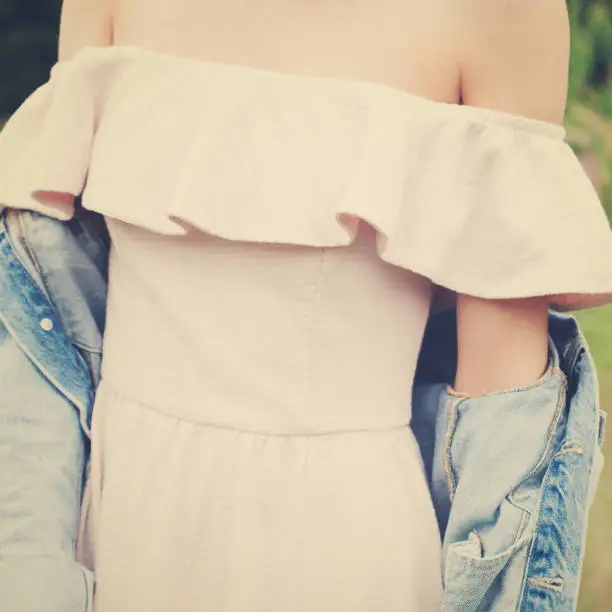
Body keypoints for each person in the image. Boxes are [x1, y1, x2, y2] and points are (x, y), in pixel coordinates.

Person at [1, 0, 612, 610]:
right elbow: (48, 326)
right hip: (118, 516)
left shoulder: (499, 12)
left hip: (333, 545)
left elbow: (502, 410)